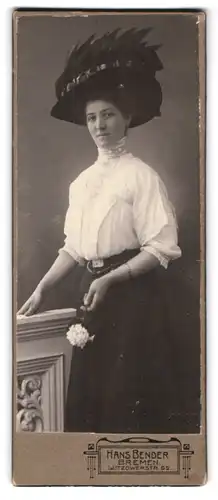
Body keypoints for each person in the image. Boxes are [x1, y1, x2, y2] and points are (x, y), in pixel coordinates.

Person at [18, 28, 183, 433]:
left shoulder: (141, 177)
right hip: (91, 294)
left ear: (127, 117)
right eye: (92, 117)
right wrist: (42, 287)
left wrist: (111, 278)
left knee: (123, 398)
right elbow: (73, 248)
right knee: (88, 399)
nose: (99, 125)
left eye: (108, 114)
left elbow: (161, 247)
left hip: (131, 299)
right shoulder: (82, 182)